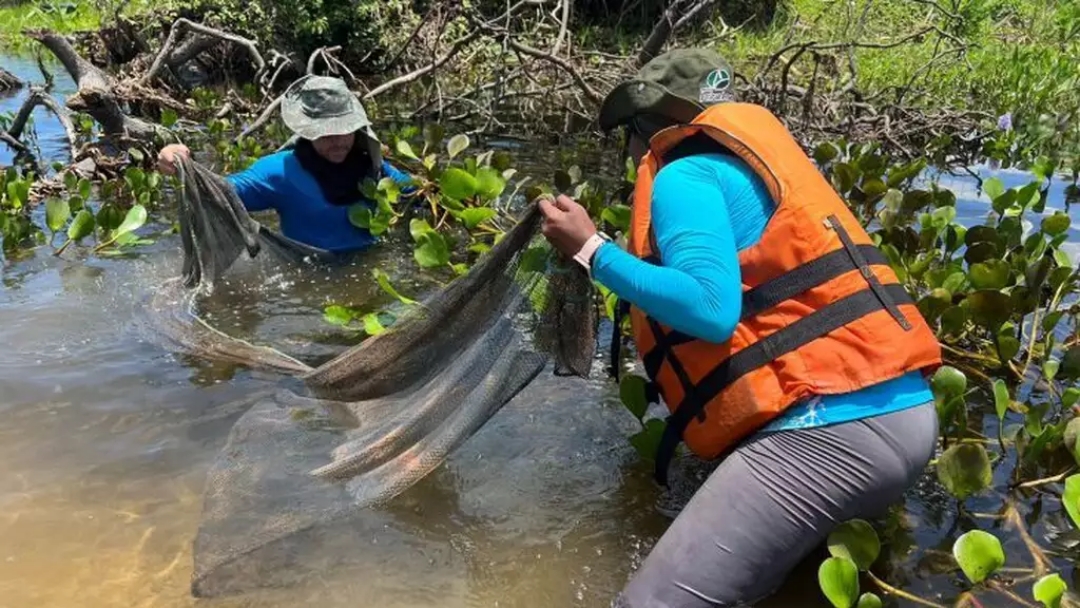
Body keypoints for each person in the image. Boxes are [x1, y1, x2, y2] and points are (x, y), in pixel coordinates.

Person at [538, 48, 943, 607]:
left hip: (830, 433)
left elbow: (710, 308)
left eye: (627, 135)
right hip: (907, 416)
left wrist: (591, 249)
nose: (631, 152)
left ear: (646, 127)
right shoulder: (755, 163)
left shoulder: (683, 175)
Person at [158, 75, 412, 254]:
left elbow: (415, 192)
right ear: (307, 131)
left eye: (344, 131)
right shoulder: (280, 172)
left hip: (370, 263)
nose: (337, 140)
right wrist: (181, 164)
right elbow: (221, 191)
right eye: (325, 132)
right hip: (307, 270)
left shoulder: (375, 167)